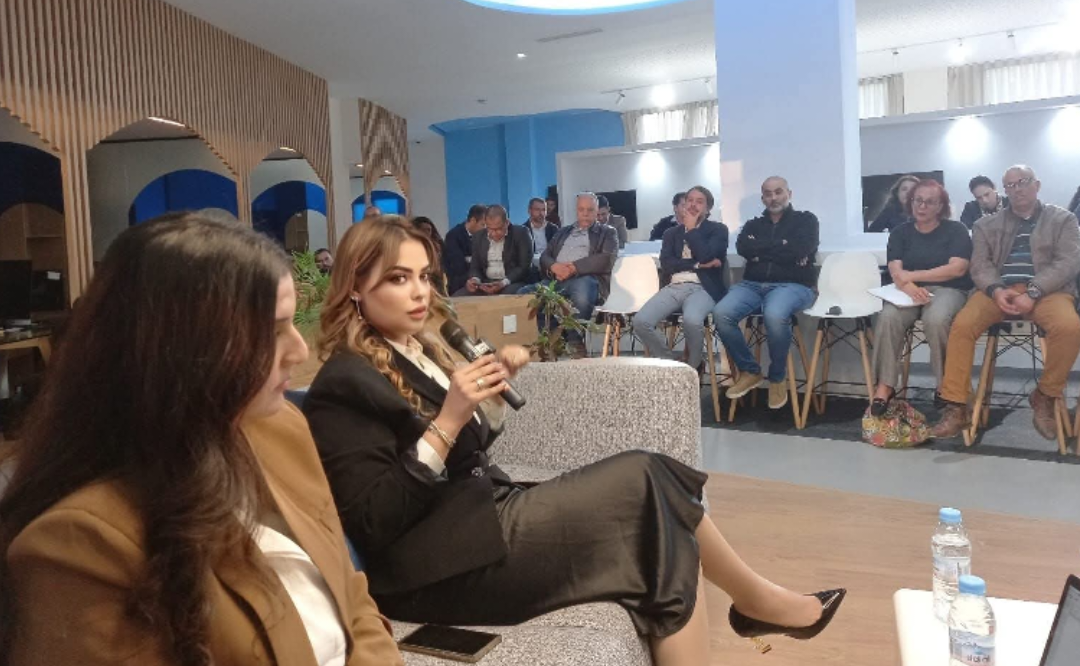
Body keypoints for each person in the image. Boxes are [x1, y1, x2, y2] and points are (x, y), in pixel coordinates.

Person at [301, 215, 845, 666]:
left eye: (424, 275)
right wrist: (448, 418)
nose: (420, 292)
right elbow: (374, 519)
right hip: (435, 570)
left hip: (480, 521)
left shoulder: (419, 349)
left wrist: (487, 397)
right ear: (355, 287)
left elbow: (471, 450)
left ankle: (757, 601)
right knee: (648, 475)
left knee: (663, 530)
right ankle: (757, 600)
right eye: (398, 279)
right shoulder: (343, 382)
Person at [0, 214, 402, 665]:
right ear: (186, 350)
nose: (299, 350)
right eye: (271, 332)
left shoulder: (282, 429)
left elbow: (351, 594)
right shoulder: (81, 544)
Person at [931, 165, 1080, 440]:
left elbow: (1068, 263)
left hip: (1048, 292)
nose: (1017, 189)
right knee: (962, 325)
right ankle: (957, 405)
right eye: (1010, 185)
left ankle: (1045, 395)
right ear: (1004, 191)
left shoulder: (1063, 219)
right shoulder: (986, 225)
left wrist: (1033, 292)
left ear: (1037, 184)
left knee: (1070, 327)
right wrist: (996, 289)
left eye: (1023, 182)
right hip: (998, 291)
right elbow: (980, 265)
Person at [714, 176, 819, 410]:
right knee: (721, 313)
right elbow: (744, 248)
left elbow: (802, 248)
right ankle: (750, 370)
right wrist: (783, 246)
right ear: (763, 198)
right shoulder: (753, 225)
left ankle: (777, 377)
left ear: (789, 194)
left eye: (778, 192)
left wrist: (761, 251)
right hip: (752, 284)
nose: (773, 198)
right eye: (768, 194)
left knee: (774, 314)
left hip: (794, 285)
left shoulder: (806, 220)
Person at [869, 180, 973, 416]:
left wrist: (912, 276)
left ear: (941, 206)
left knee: (936, 319)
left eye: (929, 202)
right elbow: (896, 270)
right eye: (918, 201)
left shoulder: (956, 230)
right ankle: (885, 385)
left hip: (949, 289)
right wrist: (909, 286)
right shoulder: (900, 233)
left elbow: (957, 268)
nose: (922, 206)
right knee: (888, 317)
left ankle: (946, 385)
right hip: (908, 290)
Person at [633, 186, 728, 373]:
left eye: (699, 202)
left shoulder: (718, 230)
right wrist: (697, 264)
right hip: (675, 286)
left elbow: (707, 256)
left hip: (704, 287)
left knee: (692, 320)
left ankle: (694, 365)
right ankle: (674, 367)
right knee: (641, 321)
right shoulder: (671, 233)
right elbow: (667, 264)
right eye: (689, 200)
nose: (692, 205)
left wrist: (691, 230)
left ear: (708, 208)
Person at [520, 193, 618, 357]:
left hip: (585, 278)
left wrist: (574, 268)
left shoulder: (607, 232)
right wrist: (554, 267)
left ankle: (574, 340)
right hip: (556, 279)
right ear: (576, 210)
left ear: (596, 211)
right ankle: (555, 336)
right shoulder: (563, 232)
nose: (585, 214)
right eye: (581, 210)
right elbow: (545, 256)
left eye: (590, 210)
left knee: (581, 293)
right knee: (525, 294)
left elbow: (606, 259)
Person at [455, 205, 532, 296]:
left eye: (498, 229)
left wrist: (503, 282)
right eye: (490, 229)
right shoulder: (478, 236)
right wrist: (475, 279)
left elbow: (524, 267)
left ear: (507, 223)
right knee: (458, 297)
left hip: (512, 281)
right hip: (486, 282)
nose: (494, 234)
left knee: (504, 298)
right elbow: (475, 266)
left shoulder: (521, 233)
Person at [442, 204, 486, 295]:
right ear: (473, 220)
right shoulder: (453, 236)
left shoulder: (485, 236)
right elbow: (458, 267)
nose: (486, 229)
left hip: (480, 280)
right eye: (483, 224)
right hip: (460, 284)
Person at [523, 197, 558, 282]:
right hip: (531, 267)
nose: (541, 213)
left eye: (543, 210)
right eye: (537, 210)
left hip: (549, 263)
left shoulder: (553, 229)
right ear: (529, 211)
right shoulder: (523, 230)